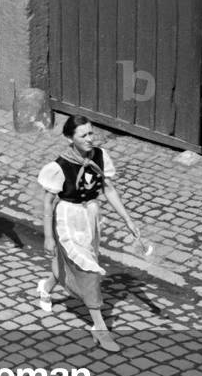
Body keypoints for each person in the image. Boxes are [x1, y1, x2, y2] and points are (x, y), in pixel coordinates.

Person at [38, 115, 143, 353]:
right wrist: (48, 236)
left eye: (91, 133)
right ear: (69, 138)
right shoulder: (59, 166)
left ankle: (45, 287)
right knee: (88, 271)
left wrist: (128, 219)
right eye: (83, 135)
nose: (89, 139)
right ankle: (100, 328)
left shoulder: (100, 157)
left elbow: (108, 189)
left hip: (90, 219)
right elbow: (47, 203)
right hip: (67, 219)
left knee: (77, 263)